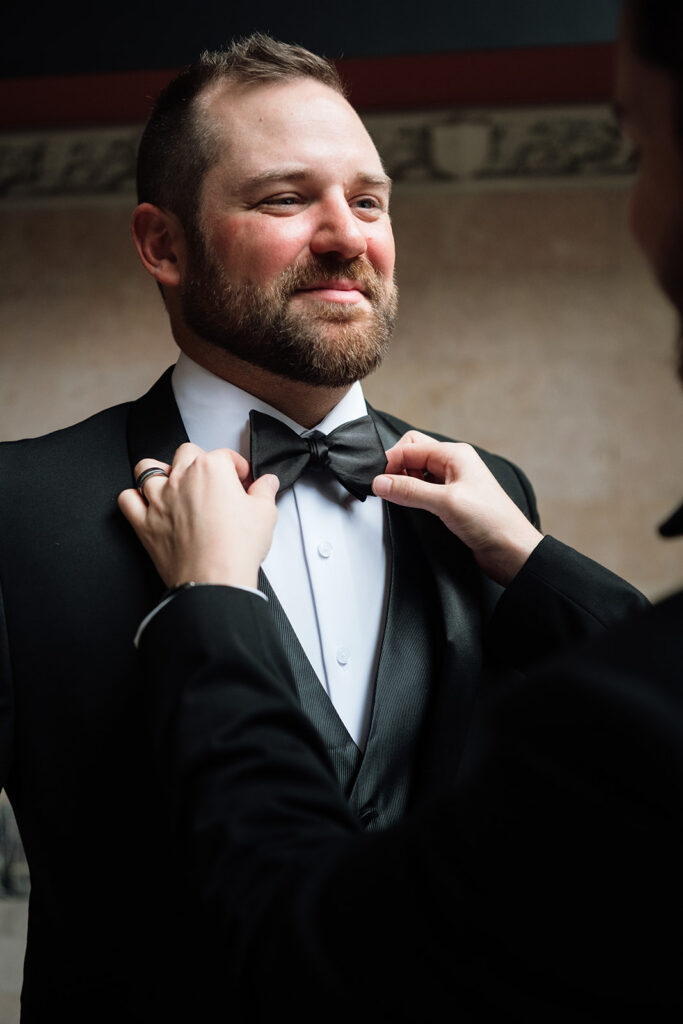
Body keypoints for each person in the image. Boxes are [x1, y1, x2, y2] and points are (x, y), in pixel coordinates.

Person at [0, 33, 645, 1024]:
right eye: (283, 199)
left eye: (370, 200)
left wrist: (529, 559)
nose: (347, 235)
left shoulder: (490, 500)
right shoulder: (18, 507)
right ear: (163, 244)